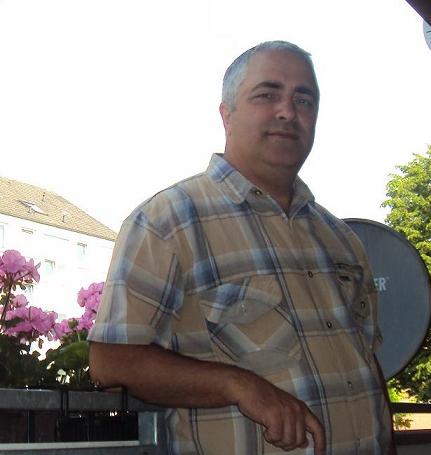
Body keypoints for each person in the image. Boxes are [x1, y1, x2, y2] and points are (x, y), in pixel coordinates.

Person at [88, 40, 395, 454]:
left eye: (304, 99)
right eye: (267, 94)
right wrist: (238, 385)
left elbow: (368, 367)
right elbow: (110, 363)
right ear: (226, 114)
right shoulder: (168, 222)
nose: (288, 111)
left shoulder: (340, 238)